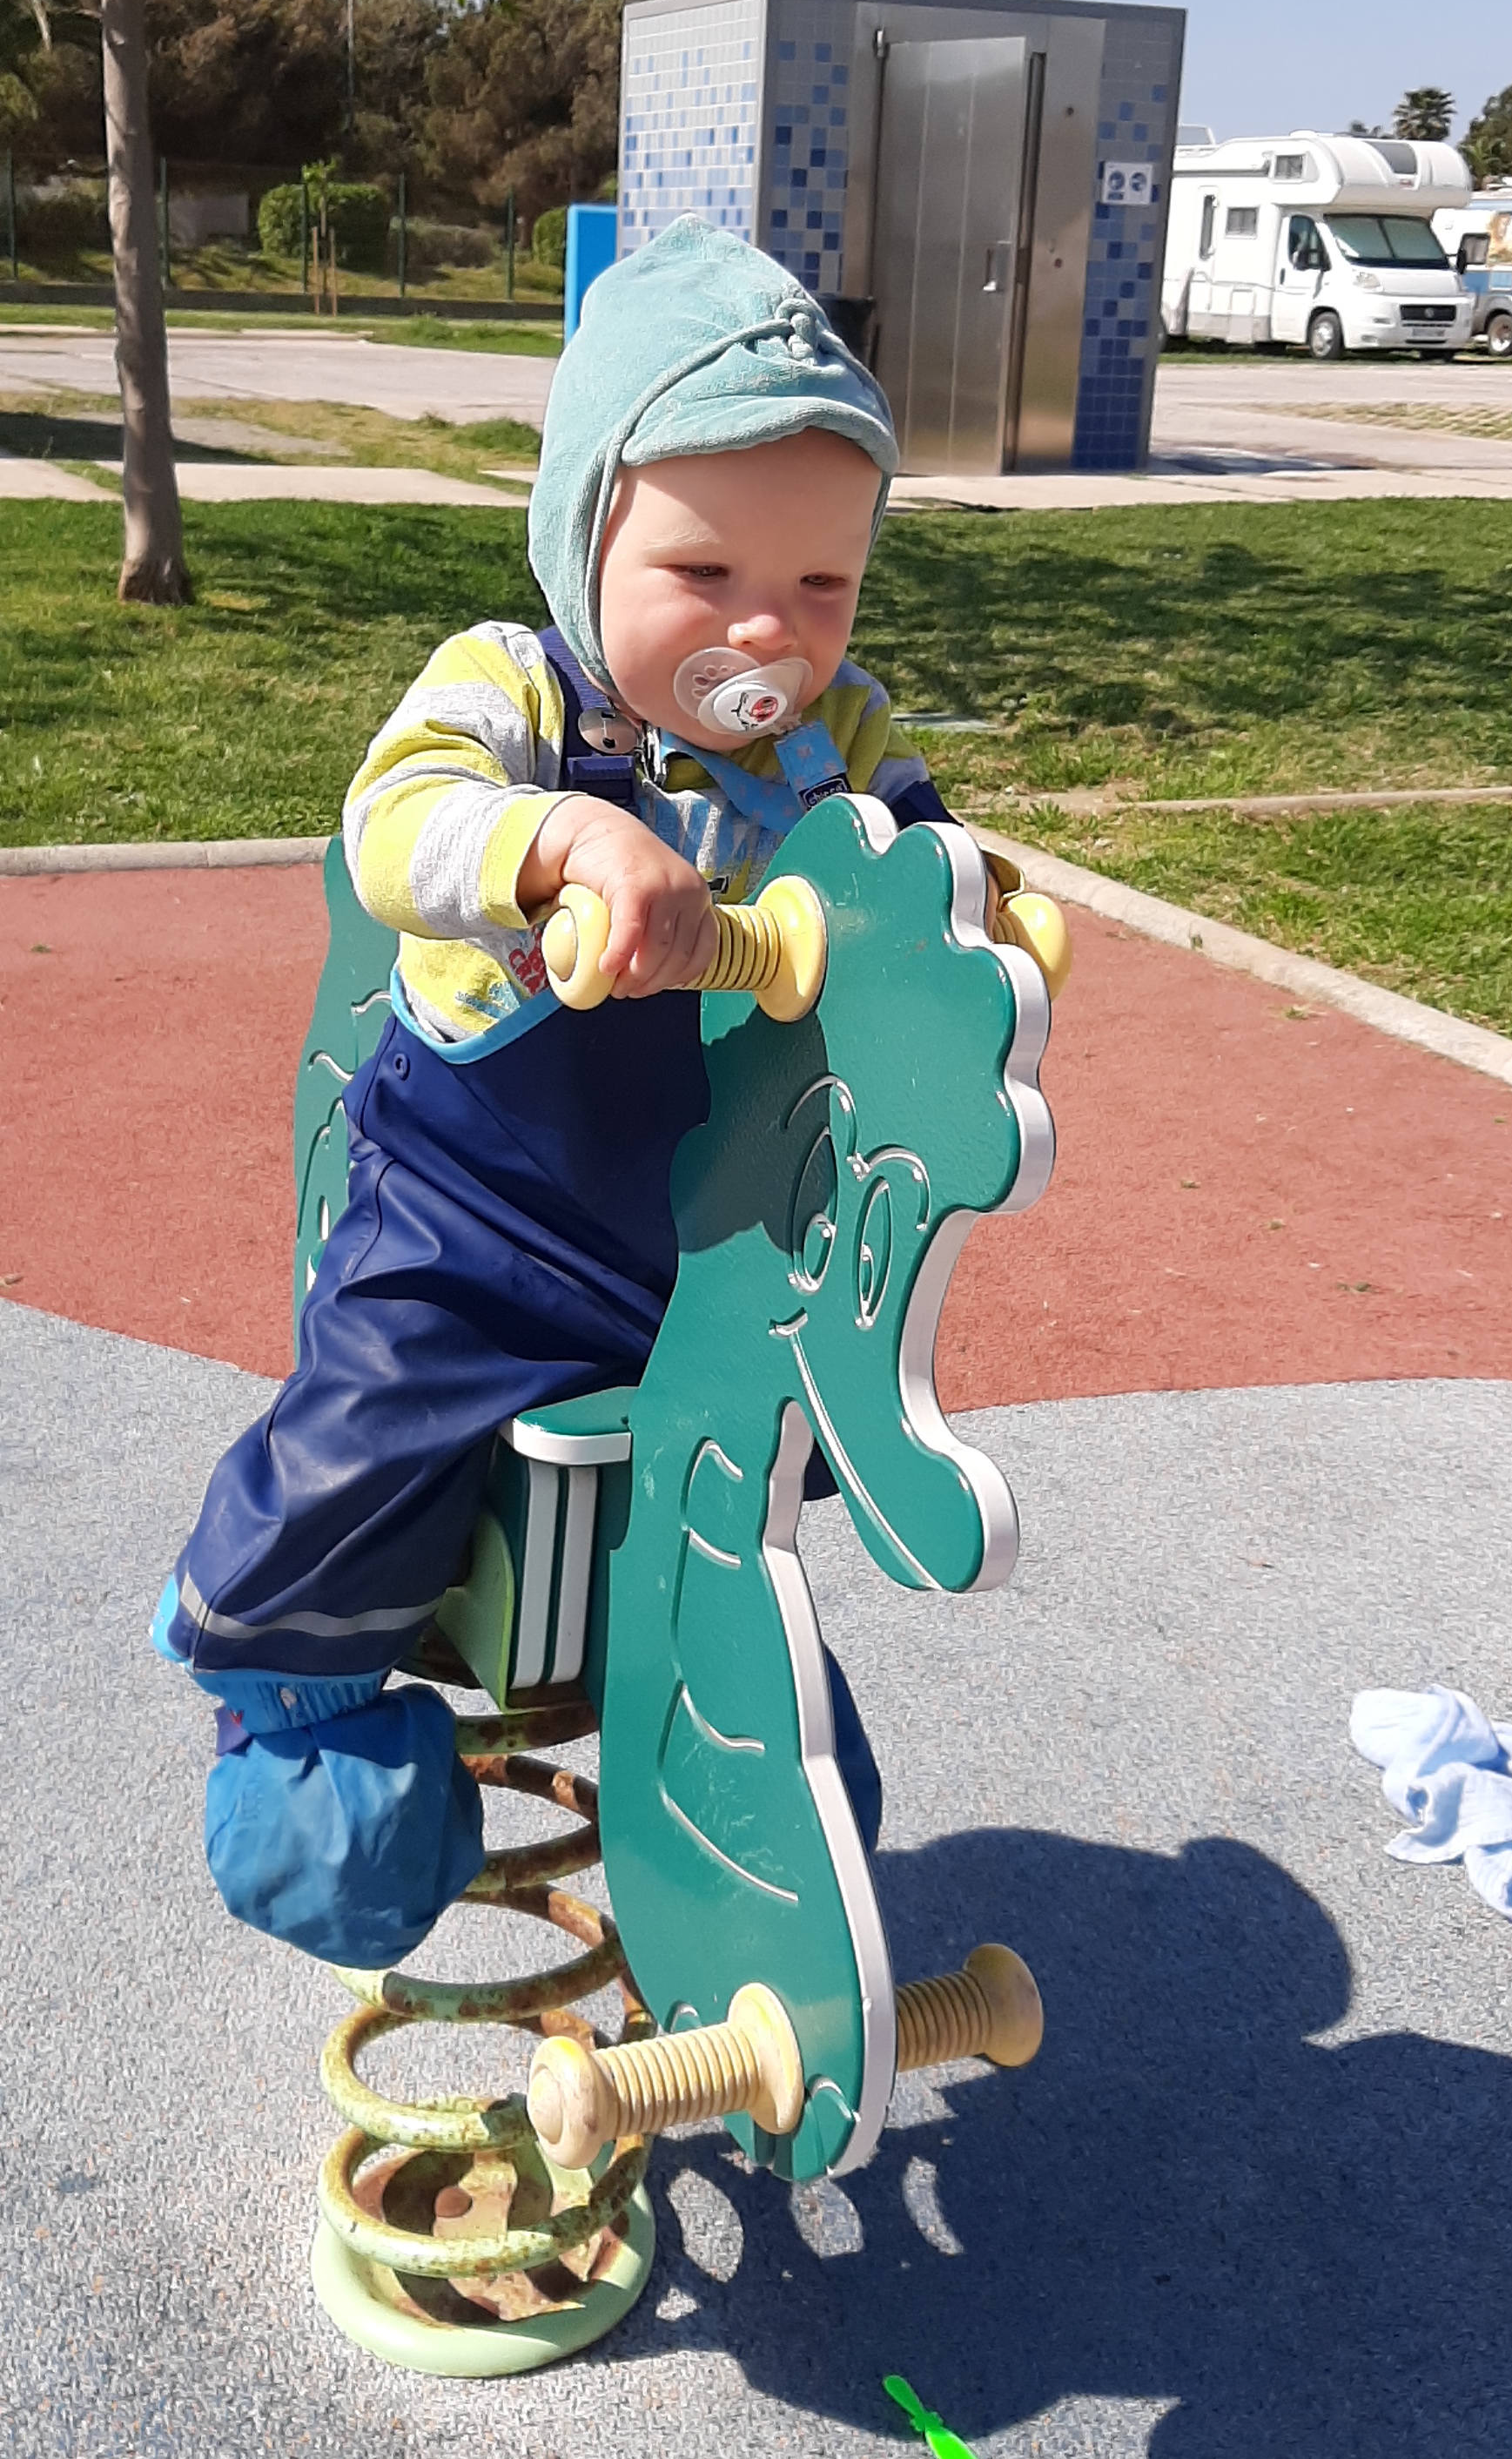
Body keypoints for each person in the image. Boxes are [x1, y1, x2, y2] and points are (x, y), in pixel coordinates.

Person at [157, 216, 951, 1964]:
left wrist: (976, 917)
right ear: (585, 534)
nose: (770, 631)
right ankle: (282, 1688)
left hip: (706, 1244)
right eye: (704, 572)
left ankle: (748, 1746)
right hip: (480, 1214)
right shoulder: (514, 690)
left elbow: (913, 875)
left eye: (824, 586)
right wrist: (557, 844)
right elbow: (395, 821)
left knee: (754, 1482)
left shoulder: (838, 741)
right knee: (376, 1421)